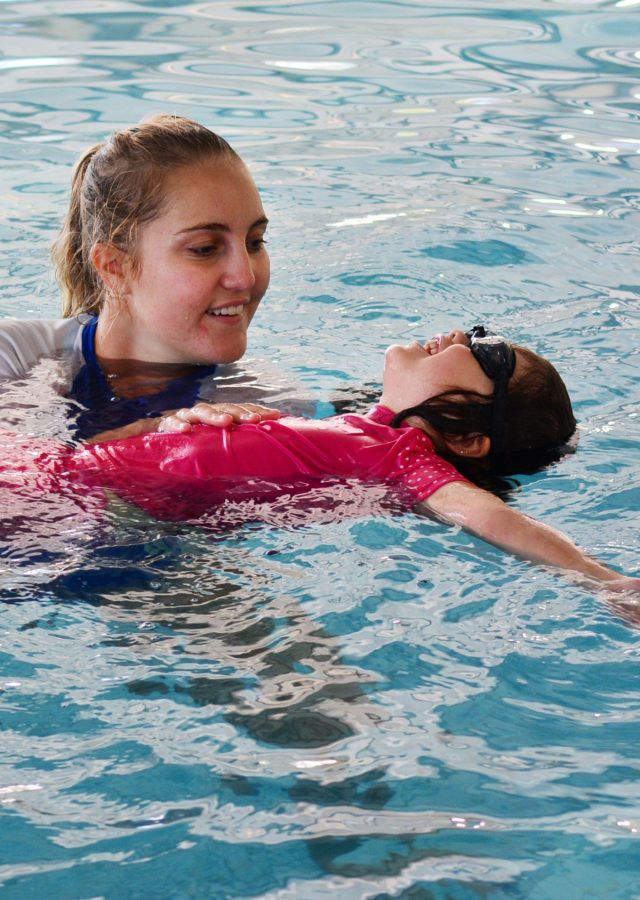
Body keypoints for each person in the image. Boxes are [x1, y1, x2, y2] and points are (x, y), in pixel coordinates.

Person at [18, 325, 636, 595]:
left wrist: (604, 580)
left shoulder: (405, 459)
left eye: (491, 356)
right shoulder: (350, 424)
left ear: (473, 441)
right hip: (61, 478)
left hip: (57, 498)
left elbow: (492, 517)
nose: (463, 337)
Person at [0, 114, 286, 439]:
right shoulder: (16, 358)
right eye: (205, 248)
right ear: (114, 266)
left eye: (255, 242)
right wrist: (148, 442)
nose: (245, 278)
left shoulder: (257, 401)